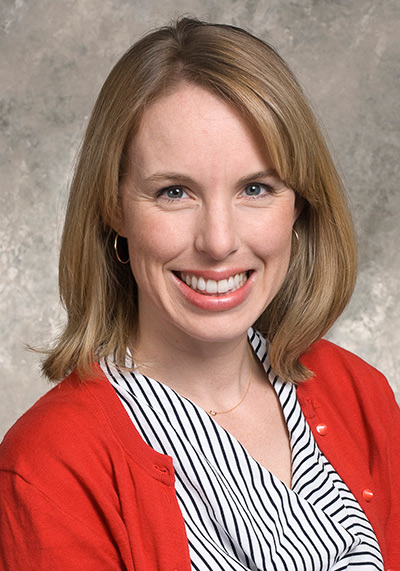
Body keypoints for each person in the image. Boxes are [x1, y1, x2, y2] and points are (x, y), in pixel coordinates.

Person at [0, 17, 399, 570]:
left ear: (299, 204)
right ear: (114, 208)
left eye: (255, 188)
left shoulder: (360, 395)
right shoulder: (51, 466)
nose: (219, 242)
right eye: (174, 191)